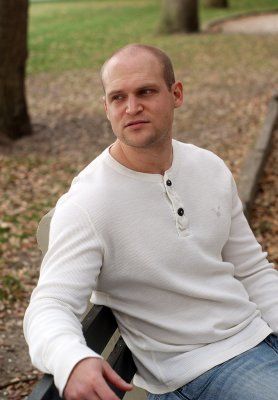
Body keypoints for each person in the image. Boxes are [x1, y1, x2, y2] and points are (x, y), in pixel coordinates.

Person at [24, 44, 278, 400]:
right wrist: (73, 360)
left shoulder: (208, 167)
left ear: (176, 94)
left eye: (145, 91)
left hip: (261, 335)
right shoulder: (88, 204)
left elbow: (252, 270)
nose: (132, 107)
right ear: (106, 109)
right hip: (200, 370)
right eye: (117, 97)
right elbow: (50, 304)